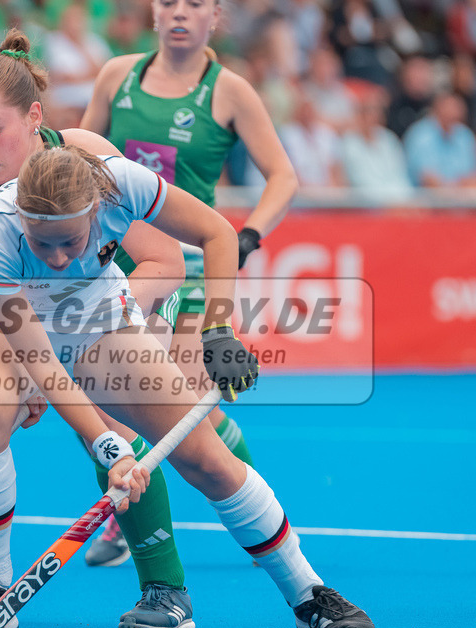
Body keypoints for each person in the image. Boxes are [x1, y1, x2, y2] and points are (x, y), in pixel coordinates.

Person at [0, 143, 374, 628]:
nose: (59, 258)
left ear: (96, 212)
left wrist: (218, 332)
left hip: (96, 314)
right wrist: (111, 448)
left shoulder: (122, 185)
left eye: (71, 242)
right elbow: (43, 363)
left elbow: (216, 232)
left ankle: (308, 594)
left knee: (207, 459)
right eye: (44, 246)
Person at [0, 29, 203, 628]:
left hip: (105, 313)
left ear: (34, 118)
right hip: (17, 333)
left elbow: (165, 262)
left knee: (116, 433)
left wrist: (88, 337)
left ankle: (166, 589)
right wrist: (30, 374)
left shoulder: (81, 153)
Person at [79, 0, 298, 564]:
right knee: (127, 405)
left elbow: (283, 176)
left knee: (178, 403)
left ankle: (248, 504)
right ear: (153, 14)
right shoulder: (116, 76)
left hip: (193, 267)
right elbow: (71, 162)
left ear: (214, 16)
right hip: (117, 264)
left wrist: (248, 234)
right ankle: (152, 514)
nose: (179, 13)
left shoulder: (230, 91)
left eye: (194, 4)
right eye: (168, 3)